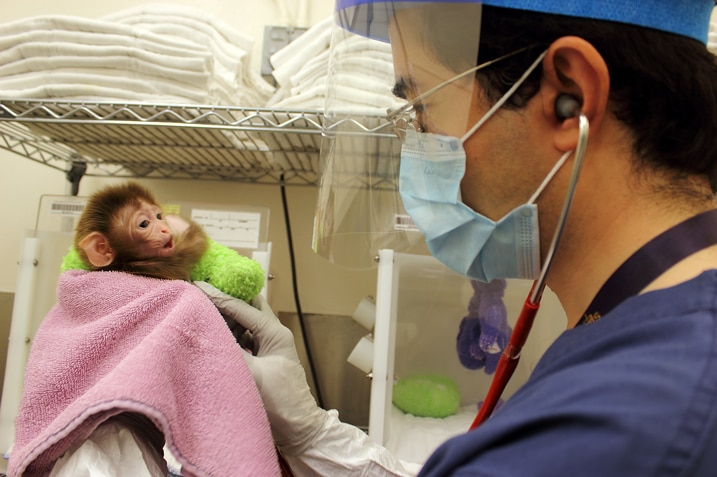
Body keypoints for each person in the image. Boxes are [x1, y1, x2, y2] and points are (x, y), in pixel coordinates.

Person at [200, 1, 717, 476]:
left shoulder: (630, 416)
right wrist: (313, 435)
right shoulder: (649, 342)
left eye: (423, 109)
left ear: (569, 97)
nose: (416, 143)